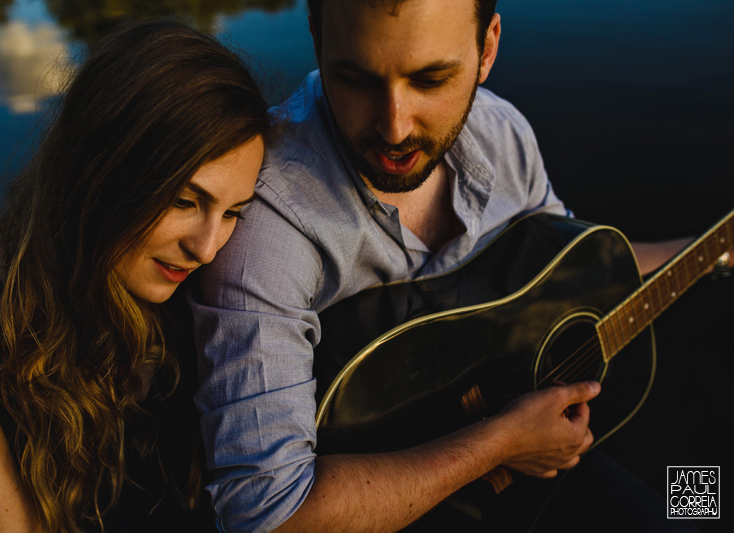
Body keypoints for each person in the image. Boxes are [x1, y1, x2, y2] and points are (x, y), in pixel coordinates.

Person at [190, 1, 722, 531]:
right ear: (317, 37)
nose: (394, 128)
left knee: (696, 486)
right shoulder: (269, 220)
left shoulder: (504, 136)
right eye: (355, 78)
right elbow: (264, 516)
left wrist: (708, 247)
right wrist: (501, 443)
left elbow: (578, 269)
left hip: (531, 467)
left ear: (486, 48)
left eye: (431, 79)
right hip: (387, 508)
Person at [0, 18, 269, 533]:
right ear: (101, 174)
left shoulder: (220, 282)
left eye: (232, 212)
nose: (205, 248)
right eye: (184, 201)